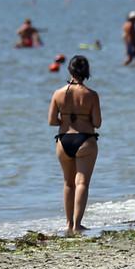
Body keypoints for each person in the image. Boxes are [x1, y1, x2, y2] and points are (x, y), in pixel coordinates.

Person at [47, 56, 101, 235]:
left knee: (68, 183)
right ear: (86, 72)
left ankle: (69, 223)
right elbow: (97, 122)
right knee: (82, 182)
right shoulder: (91, 95)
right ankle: (78, 224)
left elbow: (52, 121)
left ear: (69, 70)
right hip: (85, 140)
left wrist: (66, 119)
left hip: (63, 141)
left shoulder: (58, 93)